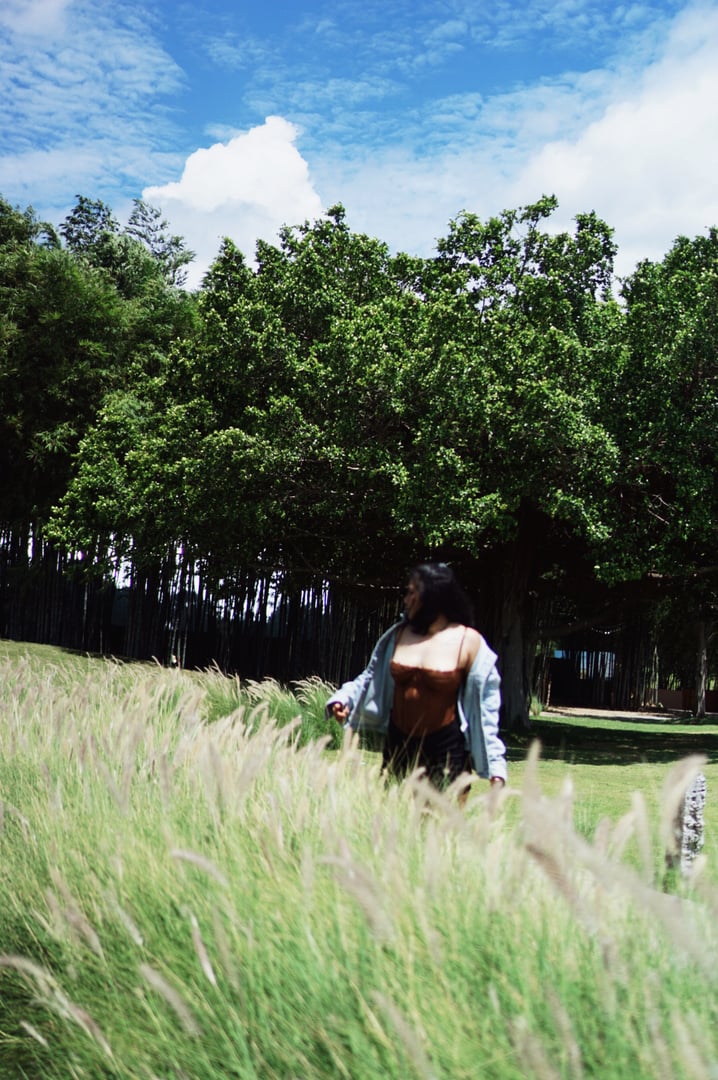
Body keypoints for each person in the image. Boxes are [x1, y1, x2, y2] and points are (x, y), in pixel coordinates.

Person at [327, 563, 507, 794]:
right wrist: (344, 698)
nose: (406, 599)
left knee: (439, 814)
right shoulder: (398, 635)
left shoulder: (468, 642)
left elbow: (486, 707)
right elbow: (370, 677)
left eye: (412, 592)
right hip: (398, 744)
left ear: (434, 596)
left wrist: (496, 766)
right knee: (392, 813)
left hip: (445, 748)